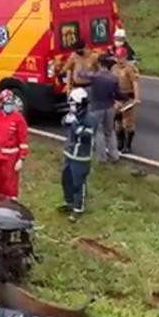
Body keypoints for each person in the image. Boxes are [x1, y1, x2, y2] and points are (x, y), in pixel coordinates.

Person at [76, 54, 122, 163]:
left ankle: (102, 158)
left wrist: (79, 63)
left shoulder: (95, 77)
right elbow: (119, 94)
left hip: (96, 107)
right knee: (110, 131)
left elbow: (81, 74)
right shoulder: (113, 78)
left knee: (98, 132)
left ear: (100, 64)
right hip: (109, 107)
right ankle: (114, 155)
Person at [59, 88, 95, 222]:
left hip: (81, 157)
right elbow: (63, 123)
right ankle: (69, 202)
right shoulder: (72, 115)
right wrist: (67, 120)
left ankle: (78, 208)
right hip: (69, 154)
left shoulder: (90, 119)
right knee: (66, 180)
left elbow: (88, 134)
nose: (71, 107)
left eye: (73, 104)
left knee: (78, 183)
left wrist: (76, 125)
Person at [113, 50, 142, 154]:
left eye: (121, 57)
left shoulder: (130, 68)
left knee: (128, 123)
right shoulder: (114, 68)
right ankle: (119, 143)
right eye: (117, 57)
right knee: (117, 122)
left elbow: (135, 83)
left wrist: (136, 97)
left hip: (128, 97)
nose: (119, 60)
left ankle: (128, 145)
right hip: (117, 98)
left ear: (125, 57)